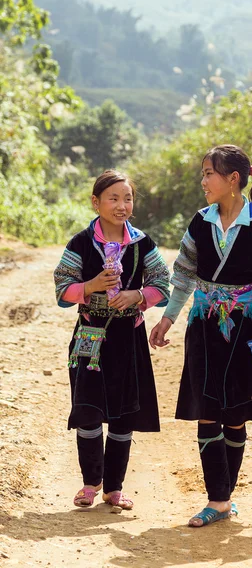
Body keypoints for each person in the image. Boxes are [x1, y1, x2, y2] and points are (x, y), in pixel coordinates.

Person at [149, 144, 252, 527]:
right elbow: (181, 275)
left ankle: (223, 499)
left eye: (209, 173)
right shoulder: (201, 222)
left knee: (235, 414)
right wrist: (167, 320)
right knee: (207, 410)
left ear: (233, 179)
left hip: (246, 327)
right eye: (203, 173)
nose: (203, 181)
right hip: (204, 325)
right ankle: (218, 498)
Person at [54, 169, 170, 509]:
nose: (122, 205)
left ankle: (113, 488)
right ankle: (91, 483)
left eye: (128, 198)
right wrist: (89, 287)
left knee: (124, 413)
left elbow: (163, 283)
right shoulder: (80, 243)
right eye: (113, 198)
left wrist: (137, 295)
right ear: (96, 202)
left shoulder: (142, 243)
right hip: (89, 335)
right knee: (88, 408)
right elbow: (62, 287)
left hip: (128, 338)